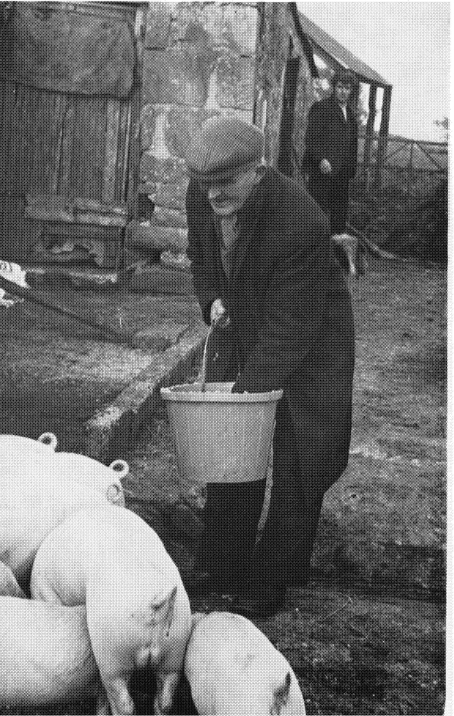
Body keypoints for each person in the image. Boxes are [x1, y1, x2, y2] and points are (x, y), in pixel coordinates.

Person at [184, 117, 355, 618]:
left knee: (301, 456)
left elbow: (289, 331)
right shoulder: (203, 195)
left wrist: (247, 392)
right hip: (250, 317)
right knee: (235, 446)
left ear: (257, 171)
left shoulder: (301, 222)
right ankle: (223, 565)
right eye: (207, 184)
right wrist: (213, 296)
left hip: (313, 333)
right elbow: (201, 254)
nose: (214, 195)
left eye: (226, 183)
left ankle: (272, 577)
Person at [302, 68, 360, 274]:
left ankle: (335, 263)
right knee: (317, 213)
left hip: (342, 175)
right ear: (334, 88)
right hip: (323, 172)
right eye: (340, 87)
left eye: (347, 88)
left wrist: (351, 170)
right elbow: (311, 139)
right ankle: (310, 259)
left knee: (338, 217)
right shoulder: (321, 108)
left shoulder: (351, 117)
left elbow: (352, 146)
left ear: (351, 91)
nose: (343, 92)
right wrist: (320, 159)